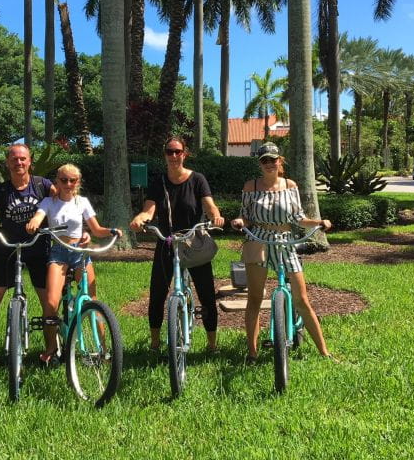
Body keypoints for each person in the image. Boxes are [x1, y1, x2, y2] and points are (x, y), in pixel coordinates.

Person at [230, 142, 334, 363]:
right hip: (258, 241)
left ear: (280, 161)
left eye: (273, 160)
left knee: (302, 300)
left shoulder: (289, 185)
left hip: (285, 242)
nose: (269, 164)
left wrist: (319, 222)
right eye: (264, 160)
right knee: (255, 299)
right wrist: (239, 221)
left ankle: (324, 352)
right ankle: (252, 353)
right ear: (260, 164)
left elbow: (298, 218)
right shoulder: (251, 186)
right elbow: (245, 216)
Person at [129, 136, 225, 354]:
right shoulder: (159, 182)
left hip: (193, 243)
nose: (173, 155)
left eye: (177, 151)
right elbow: (149, 210)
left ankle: (212, 345)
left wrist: (216, 216)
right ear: (165, 155)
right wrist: (141, 218)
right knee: (157, 294)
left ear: (184, 154)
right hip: (167, 242)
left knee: (206, 295)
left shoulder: (197, 180)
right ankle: (155, 344)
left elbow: (209, 205)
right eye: (169, 152)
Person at [0, 144, 58, 371]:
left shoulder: (43, 185)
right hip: (7, 248)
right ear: (7, 163)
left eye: (23, 158)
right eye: (14, 159)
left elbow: (64, 203)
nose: (19, 162)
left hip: (38, 247)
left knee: (49, 303)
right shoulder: (0, 191)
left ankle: (51, 351)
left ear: (30, 161)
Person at [25, 163, 122, 364]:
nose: (68, 184)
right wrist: (34, 222)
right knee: (51, 304)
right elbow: (38, 216)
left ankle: (103, 350)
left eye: (72, 180)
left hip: (80, 253)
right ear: (57, 181)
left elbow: (96, 229)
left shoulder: (82, 202)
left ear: (78, 182)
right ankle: (51, 348)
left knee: (91, 301)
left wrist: (112, 231)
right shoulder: (48, 202)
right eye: (64, 180)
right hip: (59, 253)